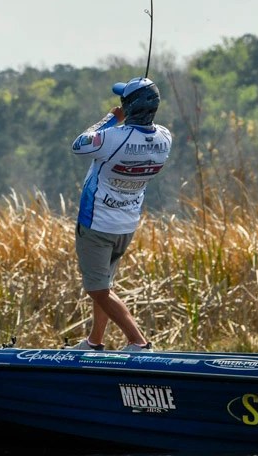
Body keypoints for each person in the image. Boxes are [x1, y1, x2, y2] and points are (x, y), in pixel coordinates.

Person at [69, 76, 172, 352]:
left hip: (96, 224)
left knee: (97, 289)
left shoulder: (111, 137)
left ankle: (138, 341)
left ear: (130, 106)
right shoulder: (165, 138)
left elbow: (79, 144)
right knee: (105, 286)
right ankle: (94, 341)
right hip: (126, 225)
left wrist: (112, 118)